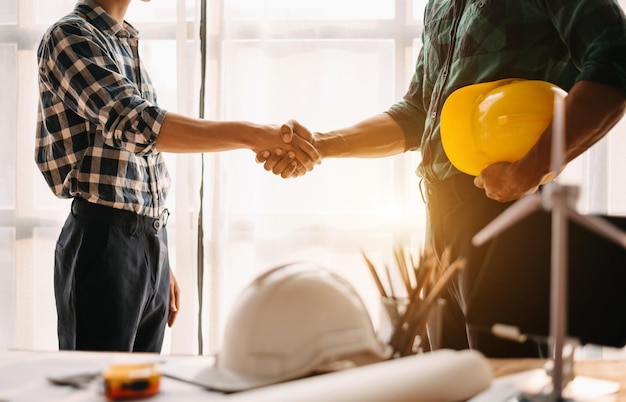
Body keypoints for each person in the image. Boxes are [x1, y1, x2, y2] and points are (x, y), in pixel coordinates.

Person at [258, 0, 626, 357]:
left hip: (505, 218)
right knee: (449, 382)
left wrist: (529, 170)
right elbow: (419, 112)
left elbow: (616, 53)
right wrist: (322, 144)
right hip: (439, 223)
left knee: (507, 383)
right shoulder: (440, 5)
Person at [35, 0, 319, 352]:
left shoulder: (122, 41)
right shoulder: (70, 36)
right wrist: (254, 135)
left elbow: (138, 165)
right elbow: (139, 124)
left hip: (144, 241)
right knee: (101, 387)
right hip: (103, 241)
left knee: (140, 386)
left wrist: (157, 258)